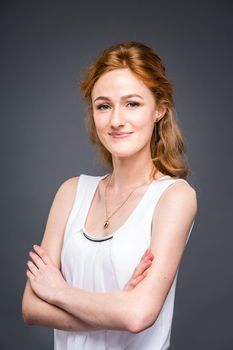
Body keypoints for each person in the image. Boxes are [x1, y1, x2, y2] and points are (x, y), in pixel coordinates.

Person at [22, 41, 197, 350]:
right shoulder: (71, 192)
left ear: (159, 109)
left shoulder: (174, 197)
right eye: (104, 105)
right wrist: (116, 305)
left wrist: (60, 292)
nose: (116, 120)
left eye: (132, 103)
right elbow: (31, 307)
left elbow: (138, 315)